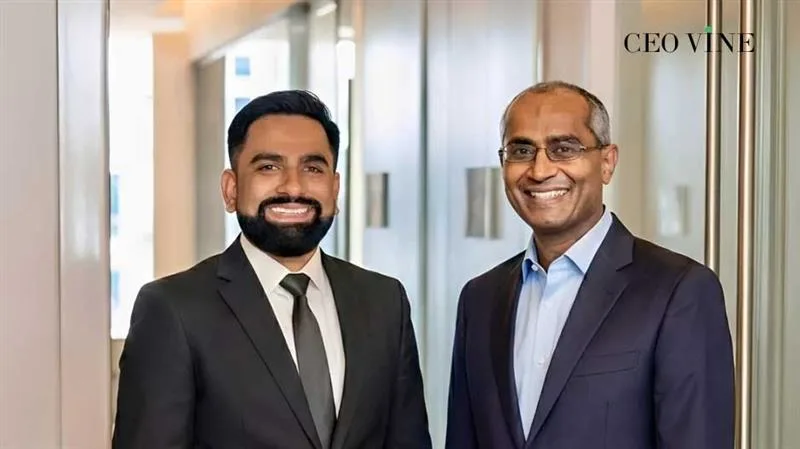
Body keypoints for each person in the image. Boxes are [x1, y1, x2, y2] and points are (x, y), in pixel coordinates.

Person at [113, 90, 431, 449]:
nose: (293, 186)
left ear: (335, 188)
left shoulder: (384, 301)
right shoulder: (172, 309)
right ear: (231, 189)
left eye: (312, 168)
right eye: (269, 167)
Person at [445, 81, 734, 449]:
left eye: (564, 149)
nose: (540, 170)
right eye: (522, 150)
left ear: (607, 163)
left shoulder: (678, 291)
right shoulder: (480, 298)